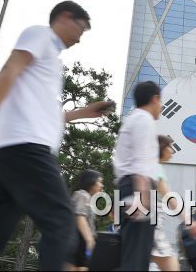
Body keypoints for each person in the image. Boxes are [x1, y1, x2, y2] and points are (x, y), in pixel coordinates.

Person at [0, 1, 114, 271]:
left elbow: (49, 115)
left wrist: (83, 112)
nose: (80, 38)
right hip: (27, 150)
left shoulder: (51, 64)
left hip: (17, 154)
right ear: (65, 17)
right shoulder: (41, 35)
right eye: (80, 28)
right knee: (61, 221)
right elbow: (10, 70)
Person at [113, 81, 162, 271]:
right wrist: (142, 198)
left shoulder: (133, 118)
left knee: (134, 255)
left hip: (128, 186)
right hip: (137, 189)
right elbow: (141, 160)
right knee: (136, 260)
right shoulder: (144, 120)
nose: (162, 107)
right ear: (155, 99)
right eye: (161, 101)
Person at [150, 135, 186, 271]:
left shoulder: (146, 166)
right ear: (161, 148)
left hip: (144, 224)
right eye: (170, 147)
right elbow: (168, 197)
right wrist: (187, 219)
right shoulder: (156, 167)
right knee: (171, 264)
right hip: (151, 225)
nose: (172, 150)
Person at [65, 170, 105, 271]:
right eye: (99, 182)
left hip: (80, 243)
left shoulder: (87, 197)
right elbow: (80, 216)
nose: (101, 185)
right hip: (78, 242)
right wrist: (89, 239)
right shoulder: (83, 195)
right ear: (91, 181)